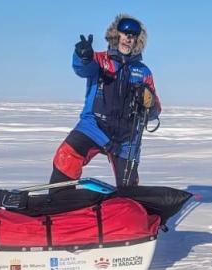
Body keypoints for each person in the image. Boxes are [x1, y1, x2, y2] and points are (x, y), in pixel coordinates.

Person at [50, 12, 161, 187]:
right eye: (124, 34)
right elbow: (83, 69)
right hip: (93, 127)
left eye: (133, 37)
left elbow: (155, 111)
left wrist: (149, 103)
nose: (128, 39)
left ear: (137, 41)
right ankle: (57, 200)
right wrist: (82, 56)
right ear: (116, 35)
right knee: (67, 155)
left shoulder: (144, 72)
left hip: (127, 138)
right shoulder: (100, 60)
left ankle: (128, 207)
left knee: (129, 188)